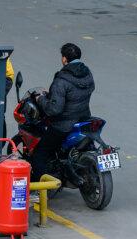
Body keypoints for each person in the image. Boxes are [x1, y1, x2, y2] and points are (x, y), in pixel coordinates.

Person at [31, 43, 94, 179]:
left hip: (63, 125)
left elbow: (54, 109)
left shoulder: (61, 80)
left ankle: (39, 190)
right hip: (84, 119)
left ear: (64, 59)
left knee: (40, 153)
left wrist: (40, 99)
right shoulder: (87, 73)